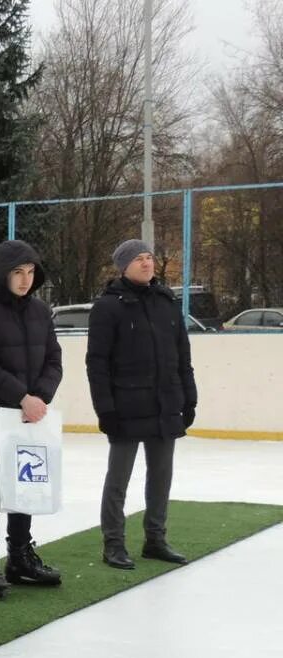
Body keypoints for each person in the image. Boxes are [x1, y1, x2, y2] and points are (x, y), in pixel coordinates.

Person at [0, 240, 64, 598]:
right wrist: (21, 397)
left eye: (30, 272)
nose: (24, 279)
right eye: (17, 272)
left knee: (25, 482)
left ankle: (20, 556)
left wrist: (39, 399)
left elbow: (54, 359)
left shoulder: (40, 311)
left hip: (31, 414)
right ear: (2, 274)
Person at [86, 239, 197, 569]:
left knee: (161, 476)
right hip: (125, 408)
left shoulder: (166, 302)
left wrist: (189, 399)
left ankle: (155, 539)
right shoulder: (108, 307)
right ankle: (114, 543)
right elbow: (97, 363)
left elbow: (183, 358)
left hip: (166, 404)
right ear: (123, 266)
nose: (147, 263)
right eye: (139, 259)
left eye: (149, 258)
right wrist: (105, 409)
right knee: (118, 478)